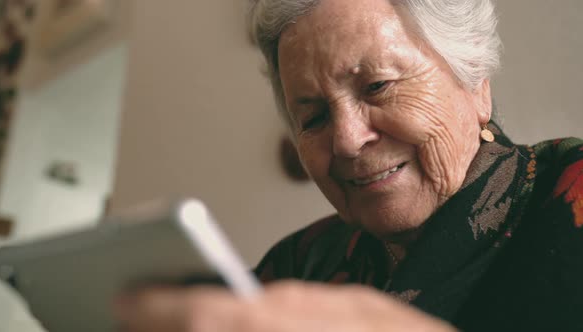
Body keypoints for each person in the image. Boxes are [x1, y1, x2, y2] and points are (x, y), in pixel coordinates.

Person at [114, 0, 583, 331]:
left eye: (377, 86)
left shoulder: (571, 197)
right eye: (313, 116)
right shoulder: (301, 263)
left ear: (476, 80)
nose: (347, 140)